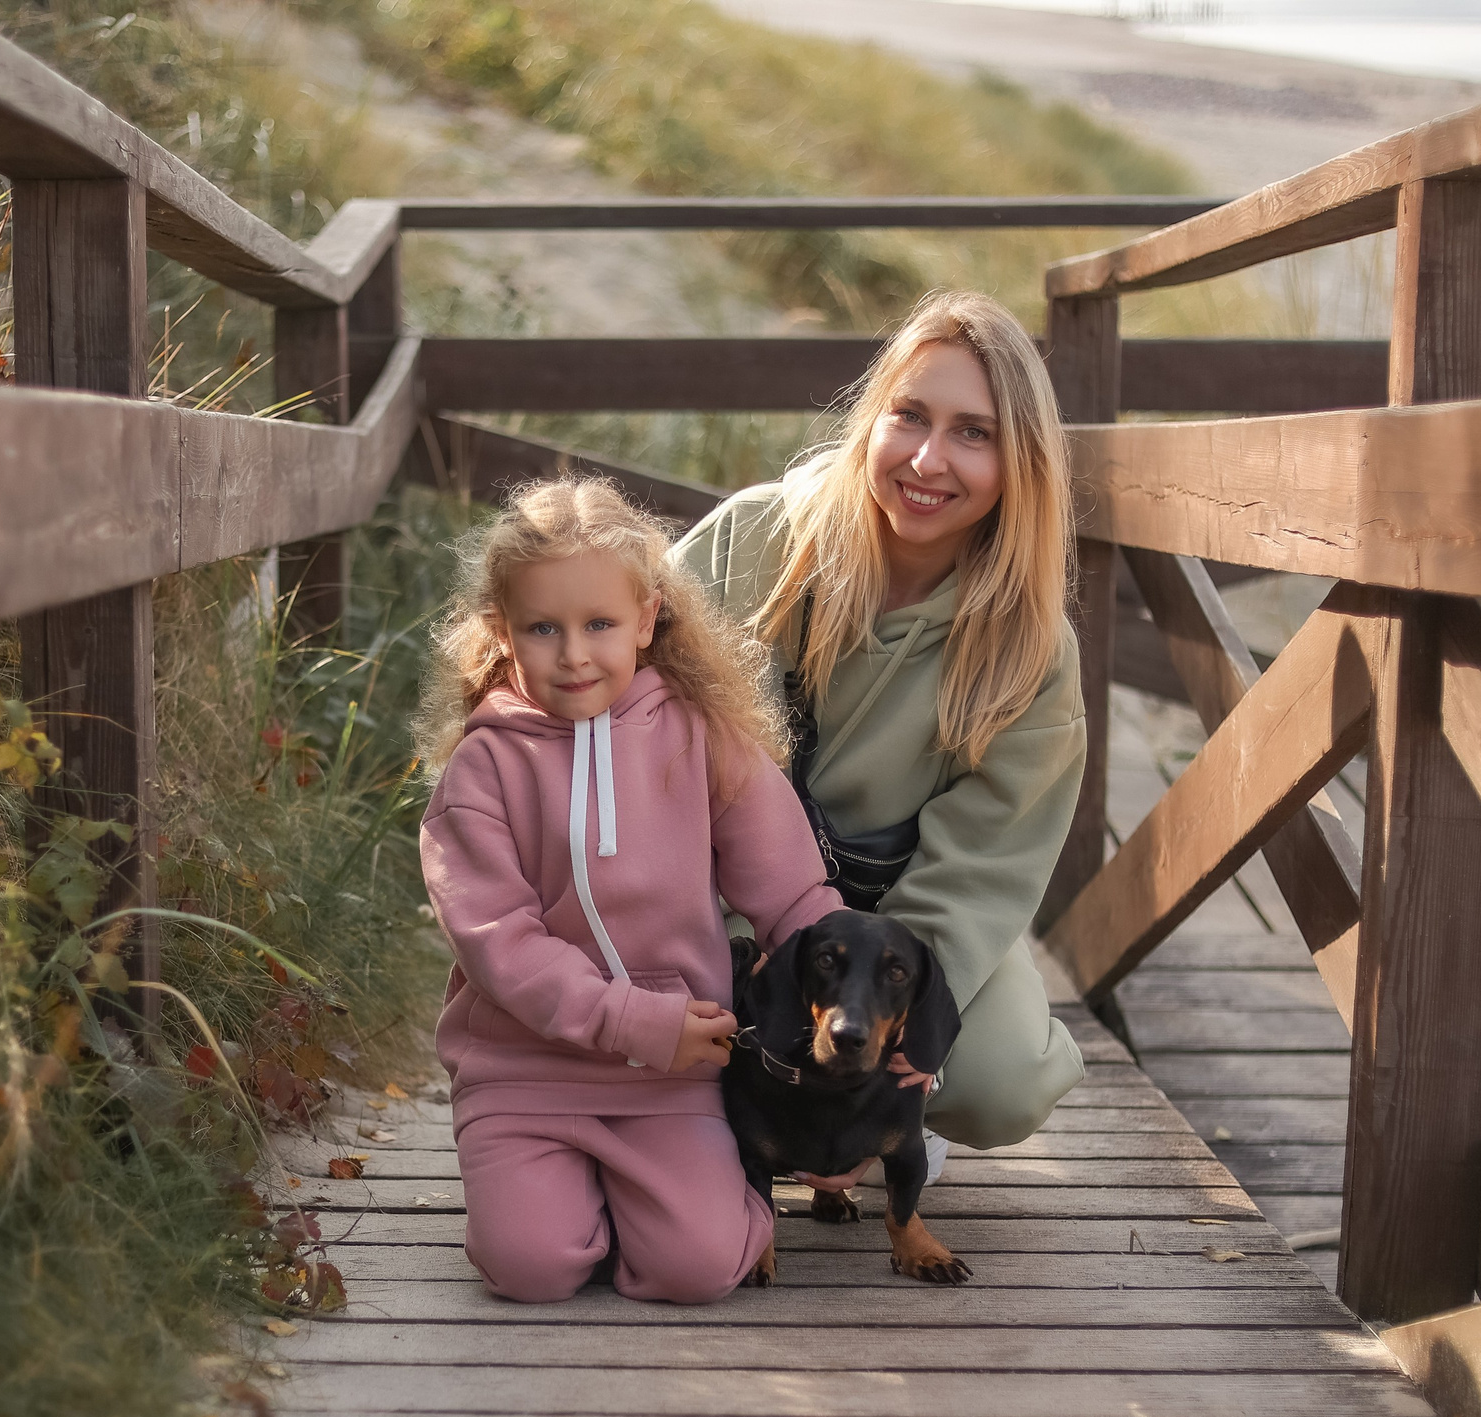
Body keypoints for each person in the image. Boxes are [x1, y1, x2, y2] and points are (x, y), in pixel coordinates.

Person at [669, 287, 1087, 1174]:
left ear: (1022, 462)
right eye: (911, 416)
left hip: (902, 925)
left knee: (1005, 1078)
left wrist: (890, 1021)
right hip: (720, 895)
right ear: (873, 419)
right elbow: (616, 685)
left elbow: (985, 867)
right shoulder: (759, 539)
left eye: (975, 433)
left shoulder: (1032, 647)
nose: (930, 460)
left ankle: (899, 1121)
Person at [418, 478, 842, 1305]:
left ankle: (691, 1206)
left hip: (674, 1074)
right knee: (530, 1266)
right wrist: (632, 1021)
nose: (574, 653)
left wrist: (841, 996)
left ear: (647, 618)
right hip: (523, 1073)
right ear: (503, 635)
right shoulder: (482, 770)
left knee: (697, 1269)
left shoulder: (703, 738)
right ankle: (565, 1204)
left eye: (600, 624)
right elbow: (500, 945)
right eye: (543, 629)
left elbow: (794, 896)